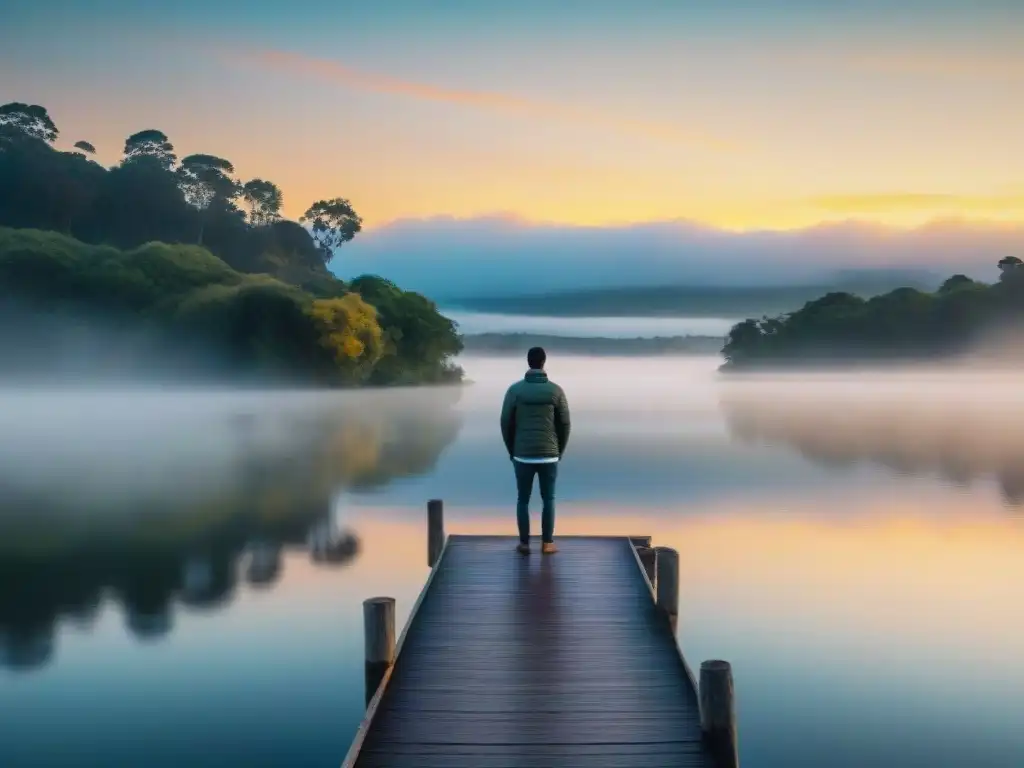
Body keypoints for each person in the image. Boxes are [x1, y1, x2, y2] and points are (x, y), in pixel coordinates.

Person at [500, 346, 571, 555]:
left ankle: (524, 543)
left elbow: (505, 422)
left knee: (523, 499)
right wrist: (560, 450)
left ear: (528, 362)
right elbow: (565, 424)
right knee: (548, 498)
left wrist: (511, 450)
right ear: (543, 362)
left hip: (522, 454)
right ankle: (547, 543)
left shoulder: (515, 390)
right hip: (550, 455)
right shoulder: (556, 391)